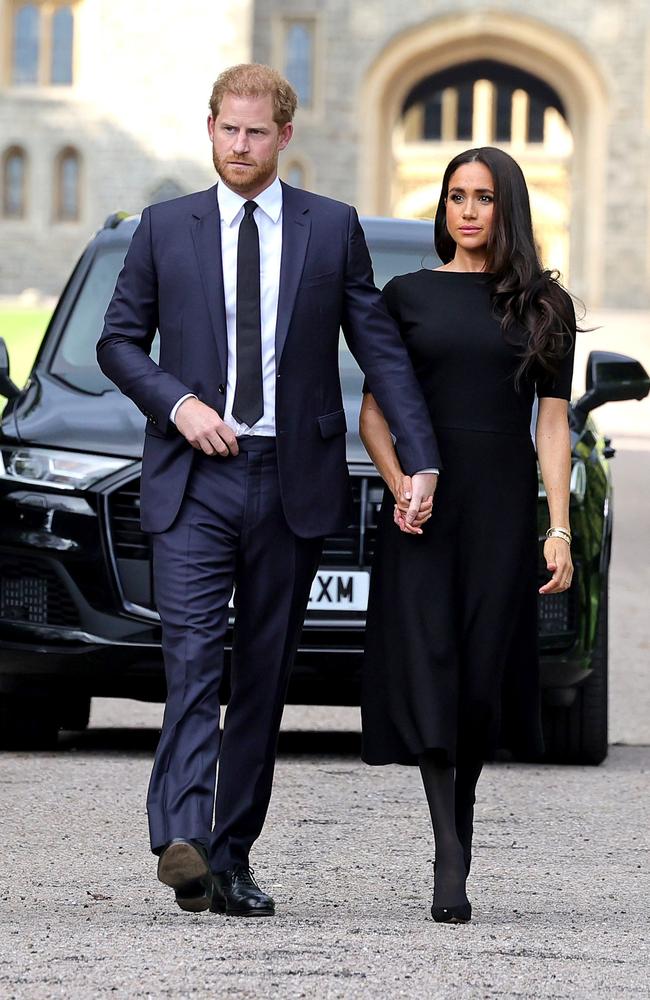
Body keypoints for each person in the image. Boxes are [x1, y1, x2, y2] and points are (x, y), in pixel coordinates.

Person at [97, 63, 439, 917]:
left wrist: (421, 454)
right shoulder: (161, 229)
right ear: (208, 127)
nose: (239, 147)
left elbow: (379, 350)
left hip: (293, 482)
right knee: (192, 659)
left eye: (256, 133)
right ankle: (181, 835)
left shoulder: (332, 229)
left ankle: (230, 857)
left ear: (285, 136)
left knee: (261, 677)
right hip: (194, 479)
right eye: (227, 130)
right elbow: (118, 342)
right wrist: (178, 404)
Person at [360, 146, 576, 924]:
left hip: (500, 508)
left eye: (484, 197)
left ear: (507, 206)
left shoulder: (545, 305)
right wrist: (398, 487)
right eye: (456, 196)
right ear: (443, 207)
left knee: (482, 672)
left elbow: (553, 423)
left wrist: (557, 528)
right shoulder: (406, 296)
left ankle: (463, 814)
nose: (469, 211)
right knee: (430, 665)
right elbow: (376, 411)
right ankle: (450, 853)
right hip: (427, 509)